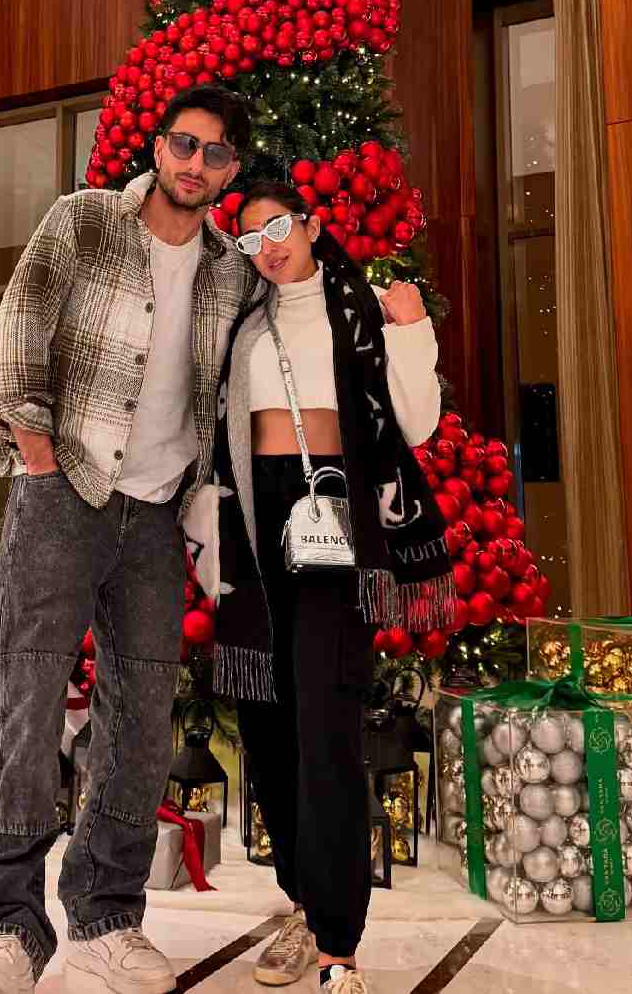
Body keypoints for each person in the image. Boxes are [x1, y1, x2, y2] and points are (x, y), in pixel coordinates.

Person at [0, 86, 258, 994]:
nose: (194, 163)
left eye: (213, 154)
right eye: (183, 145)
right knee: (26, 702)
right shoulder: (82, 223)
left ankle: (107, 917)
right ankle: (3, 931)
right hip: (65, 495)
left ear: (230, 172)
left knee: (139, 719)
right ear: (160, 148)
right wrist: (38, 455)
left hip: (159, 514)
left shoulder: (231, 272)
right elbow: (17, 340)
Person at [184, 180, 454, 994]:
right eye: (246, 236)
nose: (265, 245)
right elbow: (211, 424)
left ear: (307, 223)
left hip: (335, 516)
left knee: (326, 724)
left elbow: (417, 424)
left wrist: (412, 333)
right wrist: (207, 521)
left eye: (275, 225)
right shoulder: (242, 323)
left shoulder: (362, 306)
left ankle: (339, 941)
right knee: (268, 730)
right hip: (255, 523)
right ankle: (303, 905)